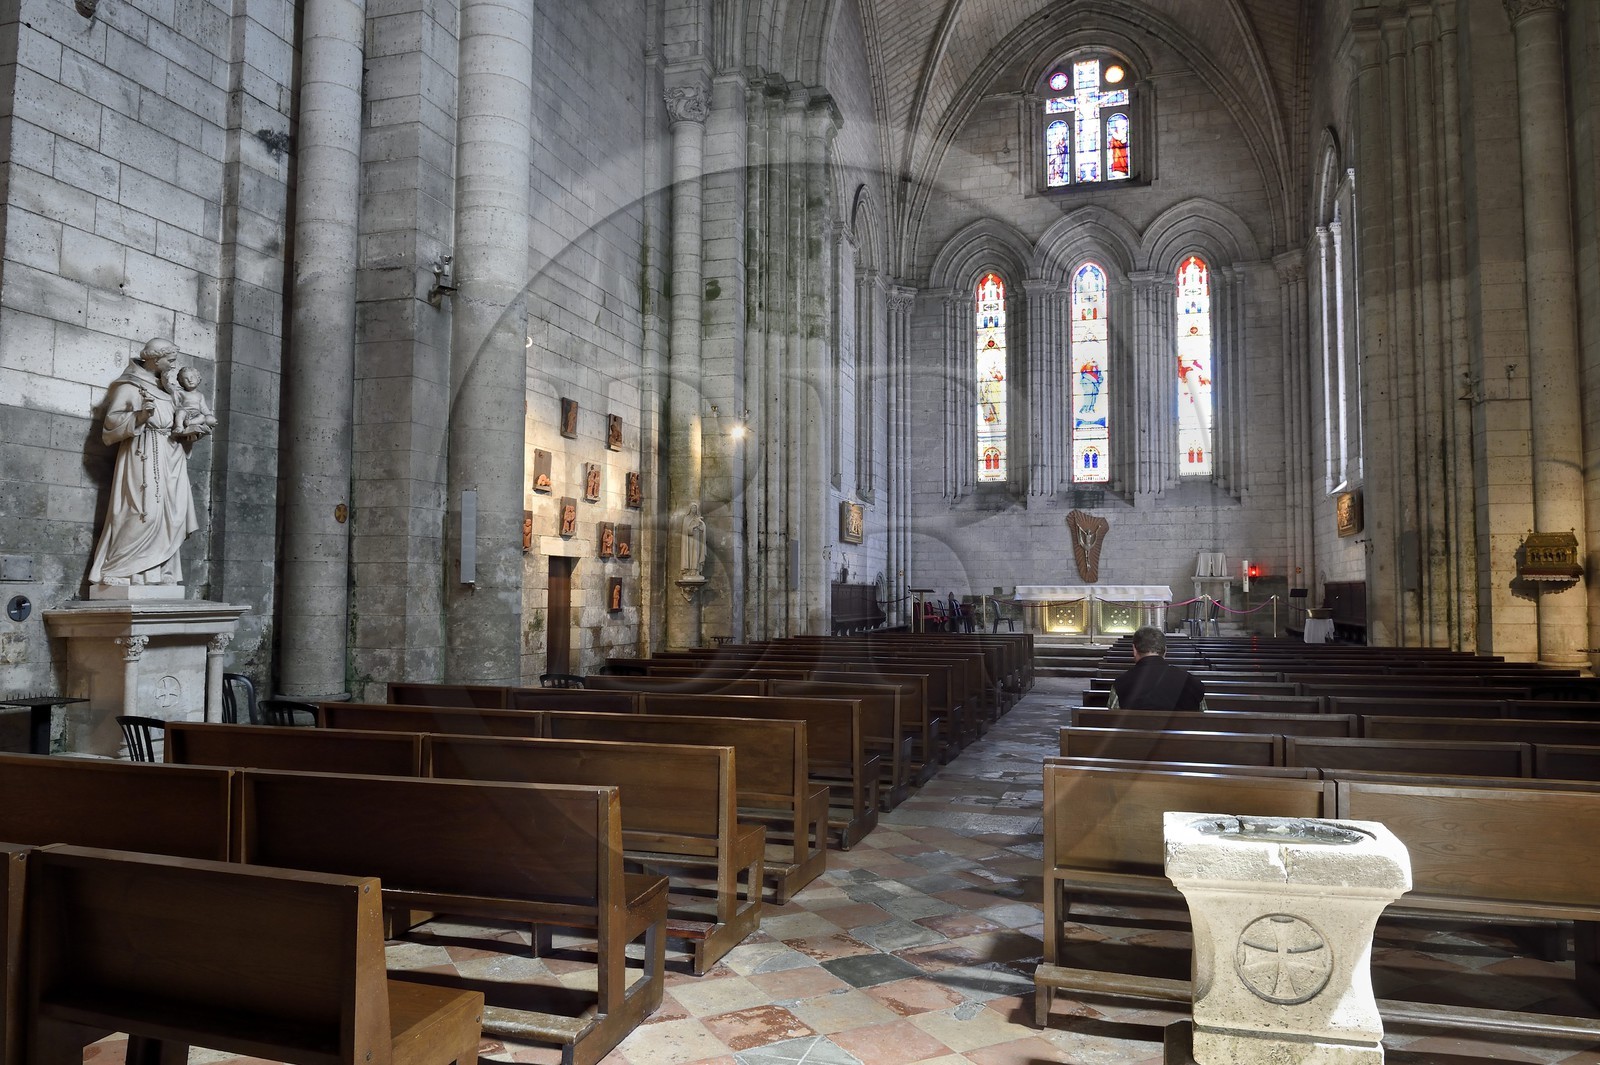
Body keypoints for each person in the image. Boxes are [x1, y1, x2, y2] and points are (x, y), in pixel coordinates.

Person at [87, 338, 205, 590]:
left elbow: (178, 423)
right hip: (143, 454)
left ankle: (158, 573)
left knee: (172, 516)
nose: (172, 366)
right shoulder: (129, 386)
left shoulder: (169, 389)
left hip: (172, 456)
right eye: (170, 360)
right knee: (143, 511)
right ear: (155, 359)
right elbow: (111, 425)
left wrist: (189, 434)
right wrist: (140, 416)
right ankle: (118, 569)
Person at [1107, 626, 1207, 710]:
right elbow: (1203, 719)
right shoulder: (1192, 683)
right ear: (1165, 651)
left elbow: (1112, 719)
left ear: (1134, 650)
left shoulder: (1120, 684)